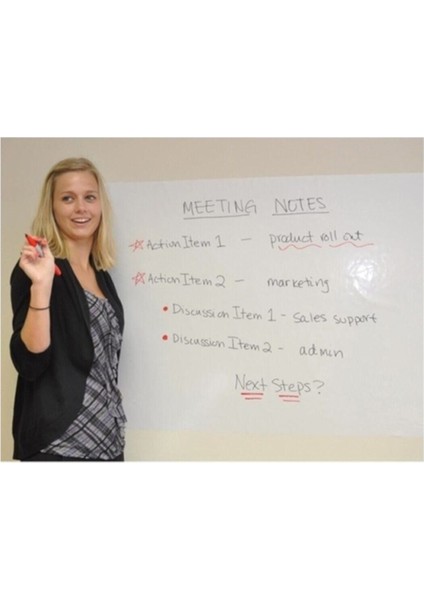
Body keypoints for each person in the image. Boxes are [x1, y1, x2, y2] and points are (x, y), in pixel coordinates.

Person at [10, 157, 126, 461]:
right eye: (67, 198)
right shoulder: (36, 270)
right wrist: (41, 284)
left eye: (89, 197)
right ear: (51, 207)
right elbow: (30, 361)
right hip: (59, 447)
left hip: (108, 442)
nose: (81, 208)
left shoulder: (102, 275)